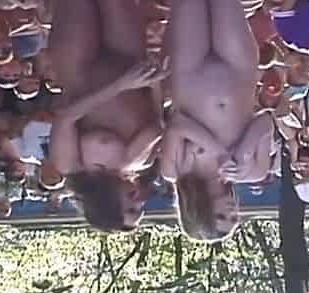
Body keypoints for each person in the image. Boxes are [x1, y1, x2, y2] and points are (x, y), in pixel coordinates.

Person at [49, 0, 168, 232]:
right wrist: (155, 84)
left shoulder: (72, 166)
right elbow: (158, 121)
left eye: (131, 209)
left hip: (78, 66)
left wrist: (120, 86)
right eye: (141, 209)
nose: (139, 202)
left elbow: (65, 117)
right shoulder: (141, 162)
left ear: (106, 205)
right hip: (127, 60)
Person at [160, 0, 274, 242]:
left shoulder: (175, 171)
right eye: (235, 218)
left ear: (199, 211)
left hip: (188, 74)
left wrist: (219, 150)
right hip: (239, 71)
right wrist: (243, 151)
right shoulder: (254, 172)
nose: (233, 212)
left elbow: (177, 124)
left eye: (222, 216)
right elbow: (266, 122)